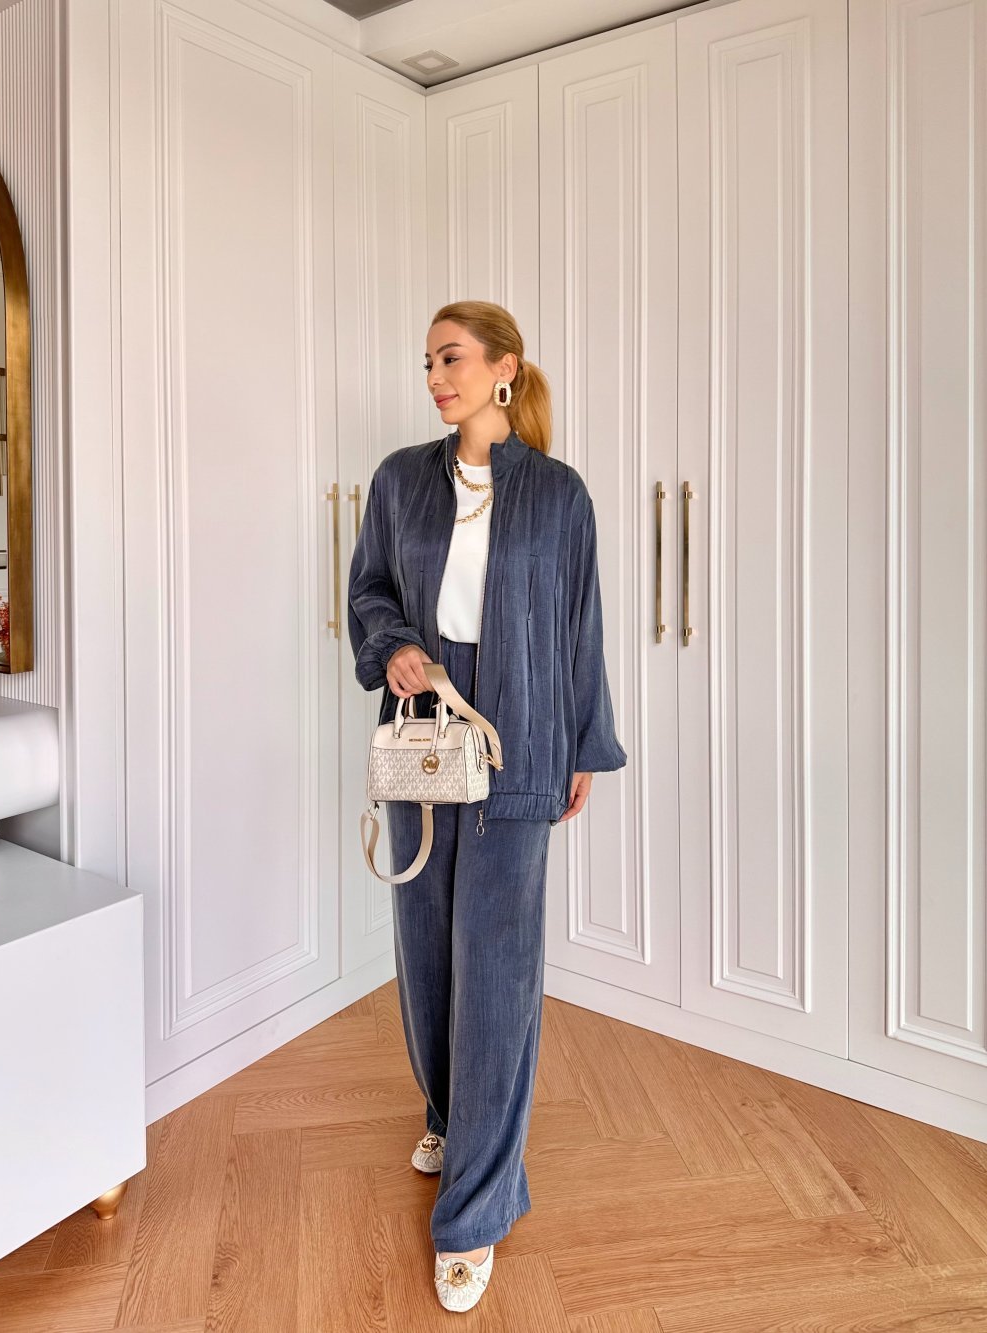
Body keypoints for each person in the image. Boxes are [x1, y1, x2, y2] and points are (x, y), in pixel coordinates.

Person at [347, 300, 626, 1312]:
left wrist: (585, 745)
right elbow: (370, 590)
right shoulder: (398, 480)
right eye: (427, 361)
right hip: (426, 727)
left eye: (452, 358)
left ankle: (474, 1208)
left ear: (504, 367)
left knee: (498, 972)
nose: (435, 377)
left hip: (523, 736)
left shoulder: (559, 494)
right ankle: (446, 1113)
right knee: (426, 953)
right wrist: (393, 646)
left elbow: (581, 627)